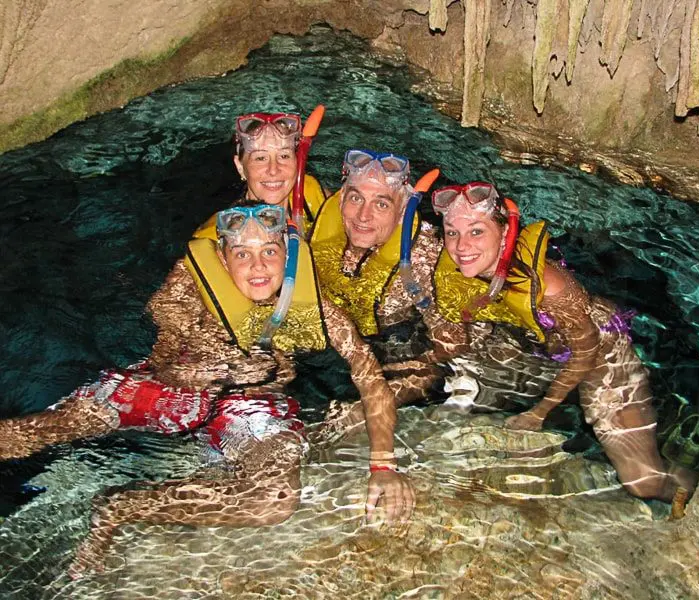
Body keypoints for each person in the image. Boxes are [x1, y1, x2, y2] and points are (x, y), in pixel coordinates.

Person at [0, 204, 413, 576]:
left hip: (251, 405)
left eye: (270, 251)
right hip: (167, 388)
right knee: (29, 435)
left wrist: (383, 465)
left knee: (275, 500)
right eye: (242, 254)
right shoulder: (188, 294)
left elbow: (369, 375)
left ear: (288, 257)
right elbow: (161, 342)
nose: (258, 266)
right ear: (222, 259)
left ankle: (122, 507)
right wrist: (198, 359)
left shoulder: (319, 310)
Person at [430, 181, 697, 502]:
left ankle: (691, 483)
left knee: (643, 482)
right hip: (543, 346)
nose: (460, 246)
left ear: (504, 233)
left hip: (601, 351)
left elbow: (587, 350)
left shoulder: (550, 285)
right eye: (452, 233)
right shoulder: (479, 268)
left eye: (476, 232)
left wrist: (539, 412)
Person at [309, 150, 470, 409]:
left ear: (403, 211)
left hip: (396, 348)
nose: (363, 215)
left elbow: (455, 344)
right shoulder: (311, 233)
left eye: (381, 204)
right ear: (340, 200)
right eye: (355, 198)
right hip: (331, 350)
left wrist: (373, 402)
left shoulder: (424, 258)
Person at [193, 108, 327, 239]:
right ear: (240, 166)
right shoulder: (219, 234)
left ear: (297, 162)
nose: (273, 170)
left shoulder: (309, 194)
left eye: (284, 156)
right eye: (260, 158)